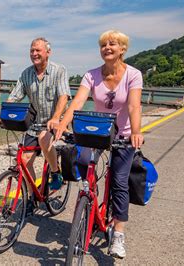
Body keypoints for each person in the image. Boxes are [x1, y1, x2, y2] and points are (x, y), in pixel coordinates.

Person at [54, 30, 144, 259]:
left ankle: (118, 235)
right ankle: (89, 197)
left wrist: (136, 132)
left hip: (122, 135)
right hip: (97, 132)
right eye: (103, 44)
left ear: (122, 49)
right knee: (82, 160)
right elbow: (78, 102)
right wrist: (63, 125)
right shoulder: (91, 75)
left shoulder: (133, 75)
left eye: (112, 44)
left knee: (119, 181)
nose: (107, 48)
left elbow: (134, 107)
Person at [0, 37, 71, 216]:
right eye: (32, 51)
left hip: (54, 122)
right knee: (23, 160)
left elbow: (64, 96)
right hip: (34, 122)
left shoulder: (59, 70)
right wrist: (3, 115)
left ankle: (55, 172)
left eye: (38, 50)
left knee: (44, 137)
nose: (34, 54)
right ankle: (32, 197)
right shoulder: (26, 74)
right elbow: (15, 96)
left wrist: (55, 118)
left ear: (48, 52)